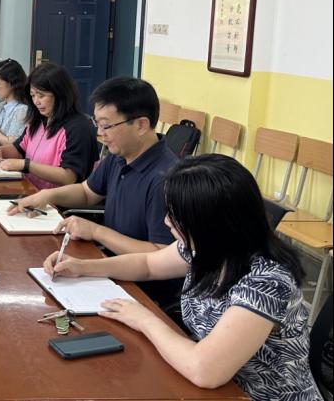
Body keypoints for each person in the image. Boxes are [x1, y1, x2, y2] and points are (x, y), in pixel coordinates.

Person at [42, 154, 322, 400]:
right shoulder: (206, 248)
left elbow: (204, 370)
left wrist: (144, 319)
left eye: (175, 216)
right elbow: (148, 265)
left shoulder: (267, 281)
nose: (166, 221)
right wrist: (83, 267)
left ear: (211, 223)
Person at [10, 76, 180, 304]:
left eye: (107, 126)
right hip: (107, 267)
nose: (100, 134)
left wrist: (97, 232)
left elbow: (159, 255)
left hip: (143, 291)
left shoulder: (167, 179)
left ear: (141, 125)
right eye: (97, 124)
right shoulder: (119, 155)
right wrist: (46, 196)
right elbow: (87, 192)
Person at [0, 62, 98, 191]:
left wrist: (27, 165)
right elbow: (19, 149)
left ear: (59, 93)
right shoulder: (38, 120)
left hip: (55, 200)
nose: (36, 101)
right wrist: (0, 151)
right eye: (33, 95)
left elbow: (69, 177)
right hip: (29, 190)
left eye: (41, 95)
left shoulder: (78, 128)